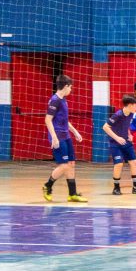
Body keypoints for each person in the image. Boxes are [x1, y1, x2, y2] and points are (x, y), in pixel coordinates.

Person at [42, 75, 87, 203]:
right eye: (71, 87)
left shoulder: (63, 100)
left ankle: (72, 194)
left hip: (66, 135)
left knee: (71, 164)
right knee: (64, 165)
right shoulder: (55, 100)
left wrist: (75, 131)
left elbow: (65, 121)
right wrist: (54, 138)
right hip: (58, 136)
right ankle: (47, 186)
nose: (71, 90)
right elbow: (48, 120)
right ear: (66, 86)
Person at [103, 95, 136, 195]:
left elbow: (126, 125)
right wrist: (117, 138)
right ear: (129, 105)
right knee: (119, 164)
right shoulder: (118, 115)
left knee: (134, 162)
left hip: (126, 142)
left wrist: (129, 134)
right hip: (115, 143)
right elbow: (105, 127)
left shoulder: (131, 114)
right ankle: (116, 188)